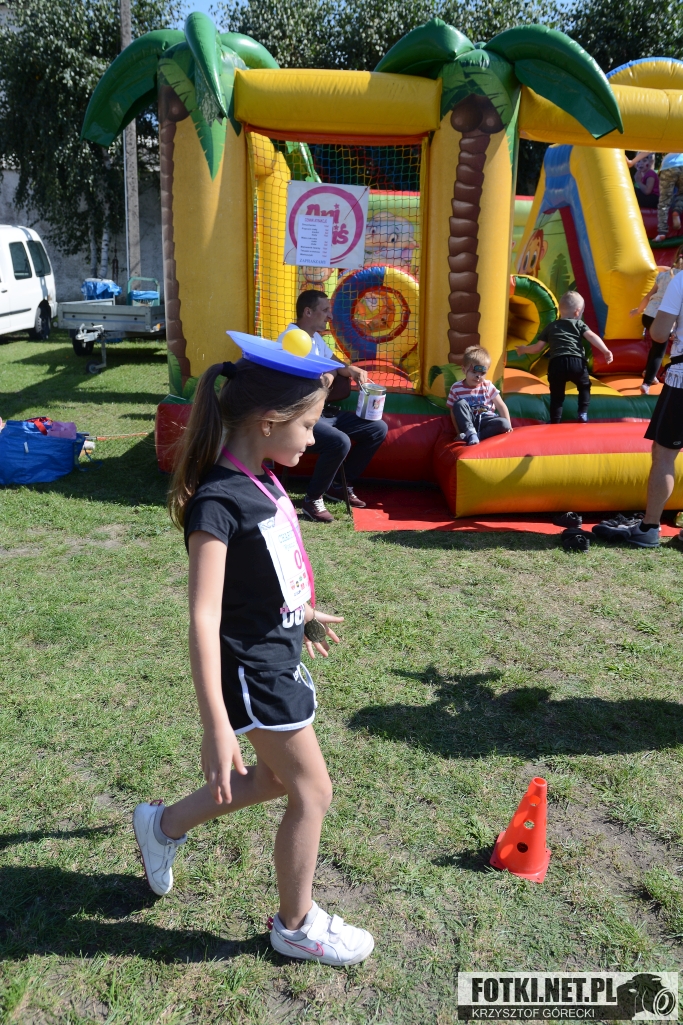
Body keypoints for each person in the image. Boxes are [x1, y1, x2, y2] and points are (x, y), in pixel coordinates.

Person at [132, 352, 375, 966]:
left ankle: (162, 826)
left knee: (272, 780)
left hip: (276, 654)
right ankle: (295, 926)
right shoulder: (218, 502)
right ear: (268, 421)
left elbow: (266, 563)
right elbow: (203, 616)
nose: (315, 438)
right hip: (253, 672)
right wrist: (216, 726)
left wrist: (301, 611)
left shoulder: (263, 477)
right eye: (309, 425)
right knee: (312, 792)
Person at [288, 290, 388, 523]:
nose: (330, 316)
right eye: (325, 310)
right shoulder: (292, 340)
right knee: (339, 442)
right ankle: (313, 499)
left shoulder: (315, 338)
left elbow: (333, 363)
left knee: (376, 429)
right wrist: (332, 374)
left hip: (322, 412)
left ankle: (339, 485)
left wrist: (352, 369)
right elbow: (319, 383)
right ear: (308, 312)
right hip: (300, 416)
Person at [620, 268, 683, 546]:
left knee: (664, 453)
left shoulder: (679, 280)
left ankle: (649, 527)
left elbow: (658, 333)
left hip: (682, 378)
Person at [516, 290, 613, 423]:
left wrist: (524, 349)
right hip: (576, 362)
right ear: (577, 312)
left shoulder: (551, 326)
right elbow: (591, 336)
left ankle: (555, 420)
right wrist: (605, 351)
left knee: (557, 395)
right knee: (584, 386)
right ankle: (583, 413)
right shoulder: (578, 324)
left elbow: (538, 348)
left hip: (557, 363)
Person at [630, 245, 683, 393]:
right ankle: (646, 383)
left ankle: (648, 373)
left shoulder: (664, 275)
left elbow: (648, 296)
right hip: (662, 319)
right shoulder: (680, 280)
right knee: (659, 352)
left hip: (648, 316)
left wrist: (638, 310)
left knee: (655, 347)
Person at [446, 345, 512, 445]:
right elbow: (453, 412)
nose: (478, 376)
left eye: (482, 373)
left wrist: (509, 426)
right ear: (464, 370)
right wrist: (458, 432)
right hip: (468, 422)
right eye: (474, 372)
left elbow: (501, 406)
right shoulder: (456, 388)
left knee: (504, 423)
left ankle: (476, 436)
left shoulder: (488, 386)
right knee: (459, 404)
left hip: (486, 421)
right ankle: (470, 433)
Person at [654, 152, 683, 241]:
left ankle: (662, 232)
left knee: (664, 201)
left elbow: (649, 150)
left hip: (668, 165)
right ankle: (677, 211)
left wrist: (632, 162)